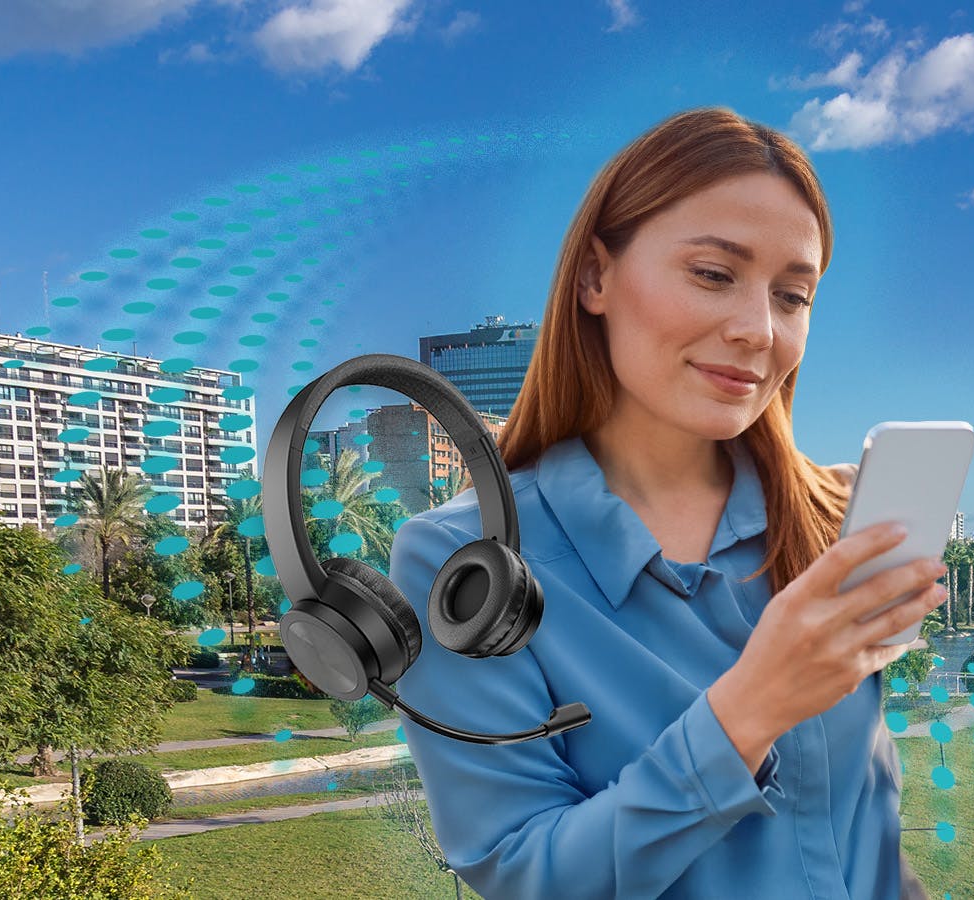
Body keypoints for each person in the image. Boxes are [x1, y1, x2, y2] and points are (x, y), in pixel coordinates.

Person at [386, 107, 944, 900]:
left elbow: (866, 827)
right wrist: (744, 716)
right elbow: (524, 875)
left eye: (793, 295)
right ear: (594, 278)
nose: (759, 330)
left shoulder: (831, 521)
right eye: (714, 274)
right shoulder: (467, 567)